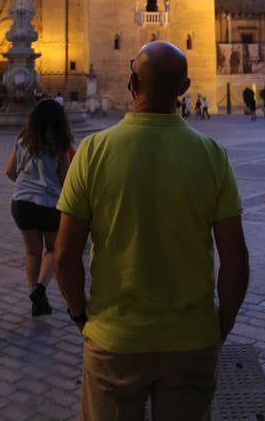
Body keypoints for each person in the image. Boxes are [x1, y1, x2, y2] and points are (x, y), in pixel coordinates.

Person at [55, 41, 249, 421]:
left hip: (114, 339)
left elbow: (64, 256)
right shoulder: (212, 155)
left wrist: (80, 317)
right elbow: (236, 259)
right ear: (185, 88)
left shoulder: (93, 151)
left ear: (131, 82)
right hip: (192, 339)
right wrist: (222, 325)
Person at [5, 98, 72, 317]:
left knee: (32, 251)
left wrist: (23, 184)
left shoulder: (23, 140)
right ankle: (41, 289)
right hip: (49, 204)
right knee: (52, 249)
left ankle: (34, 294)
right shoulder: (61, 145)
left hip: (21, 203)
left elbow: (9, 171)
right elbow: (65, 179)